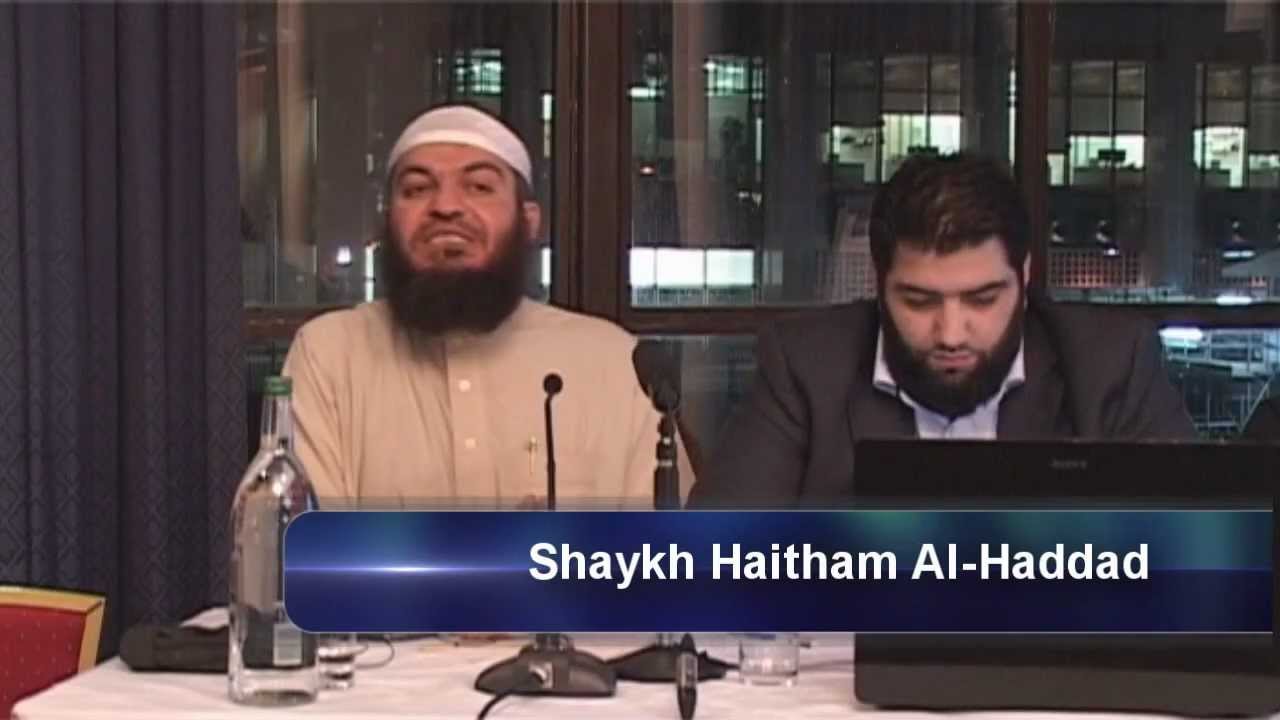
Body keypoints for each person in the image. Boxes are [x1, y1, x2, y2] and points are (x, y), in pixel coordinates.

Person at [689, 152, 1196, 508]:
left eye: (982, 299)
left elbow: (1197, 561)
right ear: (878, 281)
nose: (951, 334)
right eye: (919, 301)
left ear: (1024, 276)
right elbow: (713, 561)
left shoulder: (1110, 364)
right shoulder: (805, 366)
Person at [283, 104, 693, 507]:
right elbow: (310, 544)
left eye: (479, 187)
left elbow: (666, 546)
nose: (445, 207)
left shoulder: (614, 363)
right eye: (417, 189)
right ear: (387, 221)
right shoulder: (329, 357)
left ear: (528, 221)